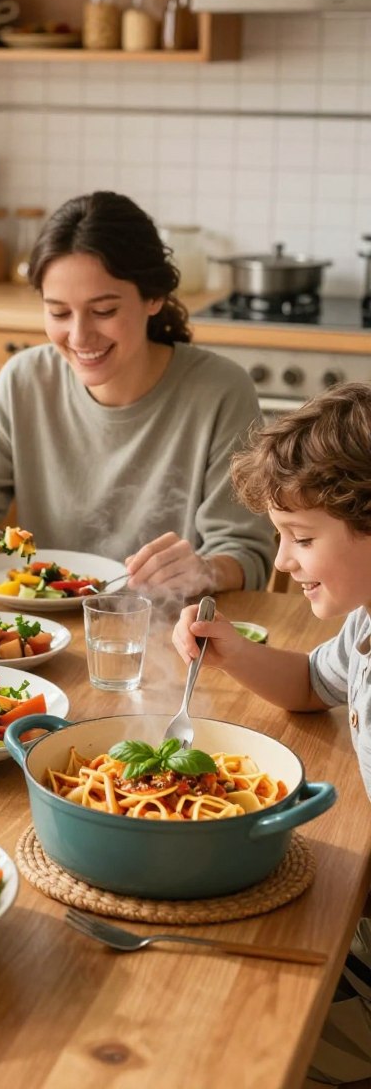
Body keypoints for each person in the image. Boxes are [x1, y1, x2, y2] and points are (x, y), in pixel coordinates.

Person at [0, 191, 275, 596]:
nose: (79, 336)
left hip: (173, 632)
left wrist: (205, 570)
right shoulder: (25, 381)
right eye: (58, 312)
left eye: (104, 311)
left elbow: (246, 555)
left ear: (154, 297)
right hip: (47, 632)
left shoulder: (220, 391)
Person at [172, 381, 371, 1087]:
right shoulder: (365, 623)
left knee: (240, 1046)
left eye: (303, 538)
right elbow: (315, 684)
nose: (283, 563)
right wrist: (232, 649)